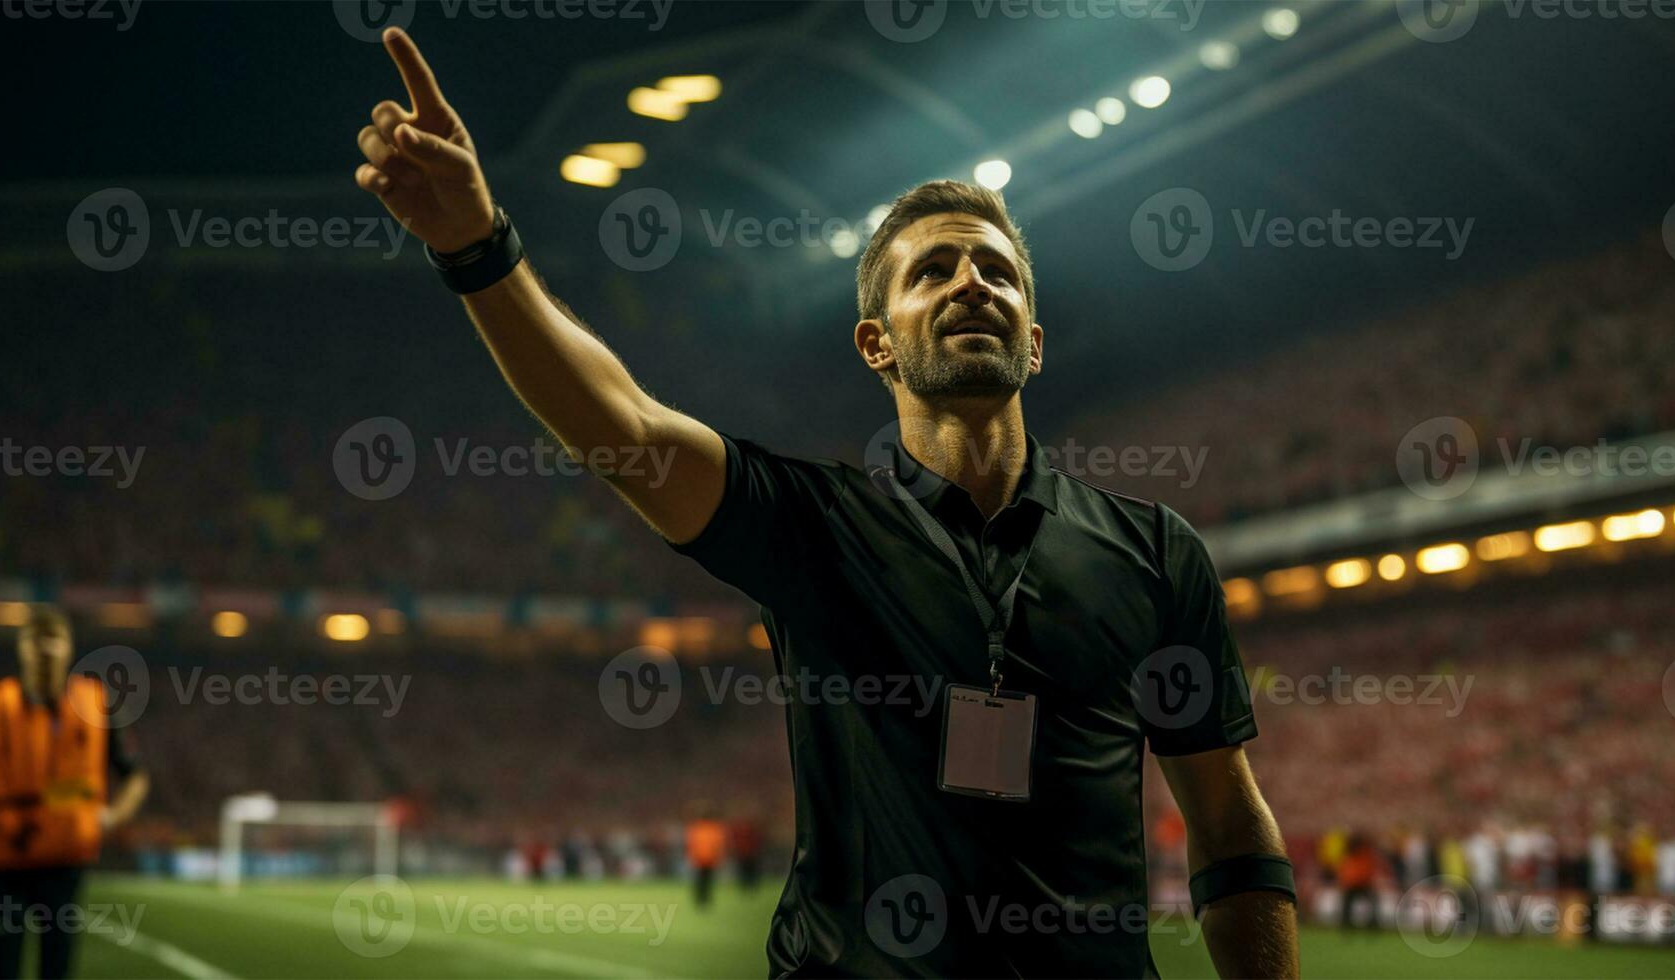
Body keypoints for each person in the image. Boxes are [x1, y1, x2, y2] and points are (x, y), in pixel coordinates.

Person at [353, 28, 1298, 978]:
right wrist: (478, 249)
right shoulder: (815, 527)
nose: (972, 281)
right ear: (876, 345)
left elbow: (1227, 823)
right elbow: (627, 429)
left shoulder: (1155, 550)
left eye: (997, 270)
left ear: (1035, 341)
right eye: (931, 272)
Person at [0, 606, 150, 980]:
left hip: (65, 859)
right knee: (2, 966)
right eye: (37, 639)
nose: (46, 648)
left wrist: (112, 817)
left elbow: (135, 776)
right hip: (4, 857)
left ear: (69, 647)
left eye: (54, 638)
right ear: (22, 648)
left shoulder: (96, 705)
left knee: (57, 967)